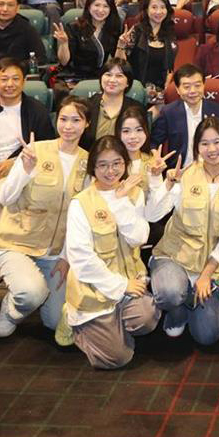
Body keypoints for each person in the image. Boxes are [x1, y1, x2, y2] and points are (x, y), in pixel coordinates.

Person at [0, 98, 90, 338]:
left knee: (55, 321)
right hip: (16, 242)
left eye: (76, 120)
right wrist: (25, 169)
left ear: (87, 124)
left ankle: (31, 292)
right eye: (63, 119)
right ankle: (13, 310)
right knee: (31, 294)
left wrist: (66, 257)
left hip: (53, 253)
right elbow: (5, 197)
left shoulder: (89, 162)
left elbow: (81, 220)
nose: (68, 126)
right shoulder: (35, 150)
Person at [62, 135, 163, 366]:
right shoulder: (81, 203)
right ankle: (76, 325)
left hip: (128, 284)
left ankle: (113, 327)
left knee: (148, 315)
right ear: (93, 167)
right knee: (118, 358)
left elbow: (139, 237)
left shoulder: (134, 193)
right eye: (103, 165)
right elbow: (81, 259)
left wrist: (120, 201)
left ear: (125, 164)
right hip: (94, 291)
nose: (111, 171)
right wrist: (120, 285)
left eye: (117, 163)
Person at [147, 117, 219, 344]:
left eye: (217, 142)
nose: (212, 149)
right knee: (170, 293)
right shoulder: (186, 174)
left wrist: (206, 275)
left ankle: (189, 294)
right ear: (197, 147)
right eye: (205, 143)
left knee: (208, 335)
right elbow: (152, 215)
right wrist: (162, 182)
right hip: (174, 257)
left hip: (208, 266)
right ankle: (177, 311)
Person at [149, 64, 219, 166]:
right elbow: (154, 142)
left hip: (213, 168)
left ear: (204, 85)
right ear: (177, 89)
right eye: (187, 87)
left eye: (197, 85)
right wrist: (155, 155)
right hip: (179, 170)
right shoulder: (169, 112)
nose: (193, 91)